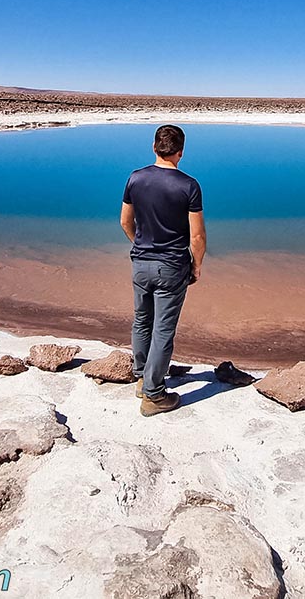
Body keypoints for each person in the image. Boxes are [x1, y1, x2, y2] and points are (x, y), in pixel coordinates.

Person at [120, 124, 206, 416]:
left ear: (154, 147)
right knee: (163, 330)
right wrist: (196, 265)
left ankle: (142, 378)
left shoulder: (135, 178)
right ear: (181, 152)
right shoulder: (189, 185)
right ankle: (154, 396)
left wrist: (141, 246)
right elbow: (197, 237)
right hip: (171, 267)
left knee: (141, 322)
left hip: (141, 263)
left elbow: (124, 222)